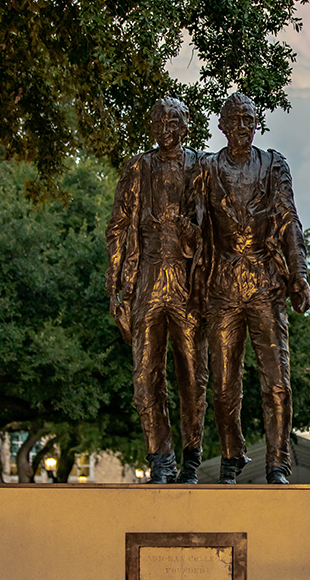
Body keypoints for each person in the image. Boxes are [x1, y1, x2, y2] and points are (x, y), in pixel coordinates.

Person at [202, 92, 310, 484]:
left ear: (256, 124)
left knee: (277, 380)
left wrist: (298, 273)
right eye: (235, 121)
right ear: (222, 127)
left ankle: (278, 462)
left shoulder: (273, 165)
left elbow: (288, 219)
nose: (242, 128)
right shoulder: (208, 169)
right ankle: (232, 454)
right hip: (223, 285)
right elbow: (196, 228)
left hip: (265, 282)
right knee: (223, 385)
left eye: (248, 120)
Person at [105, 97, 207, 484]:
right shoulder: (138, 167)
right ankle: (160, 458)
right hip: (147, 277)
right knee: (146, 374)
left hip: (186, 281)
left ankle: (192, 457)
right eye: (158, 122)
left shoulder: (201, 166)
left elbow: (214, 227)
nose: (165, 128)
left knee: (193, 375)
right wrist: (114, 287)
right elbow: (117, 228)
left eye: (173, 121)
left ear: (186, 125)